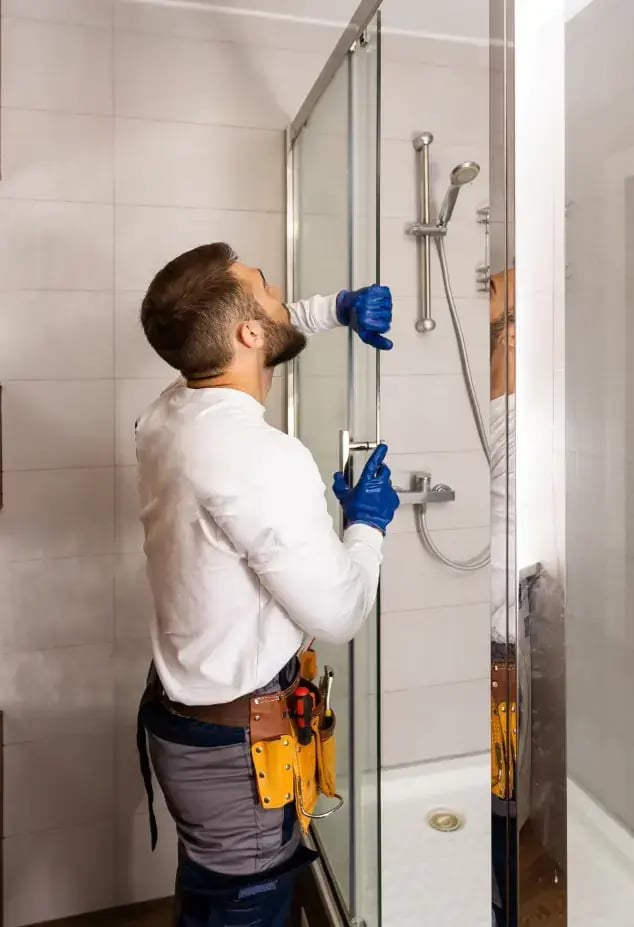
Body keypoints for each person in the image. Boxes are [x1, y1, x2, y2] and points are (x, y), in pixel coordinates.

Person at [134, 242, 399, 927]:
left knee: (214, 897)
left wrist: (334, 310)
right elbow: (340, 612)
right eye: (266, 287)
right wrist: (365, 527)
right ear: (248, 333)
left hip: (188, 726)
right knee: (245, 912)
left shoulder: (167, 412)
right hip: (233, 756)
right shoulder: (261, 456)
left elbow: (254, 334)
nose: (283, 290)